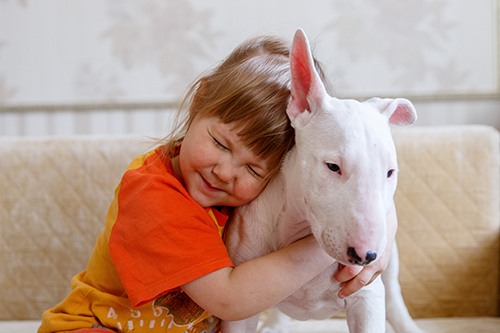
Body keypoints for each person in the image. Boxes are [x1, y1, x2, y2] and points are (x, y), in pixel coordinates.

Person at [38, 34, 397, 333]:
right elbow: (231, 299)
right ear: (199, 100)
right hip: (94, 326)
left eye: (254, 169)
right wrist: (335, 244)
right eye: (221, 144)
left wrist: (375, 246)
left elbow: (367, 189)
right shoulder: (153, 196)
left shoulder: (247, 197)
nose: (225, 172)